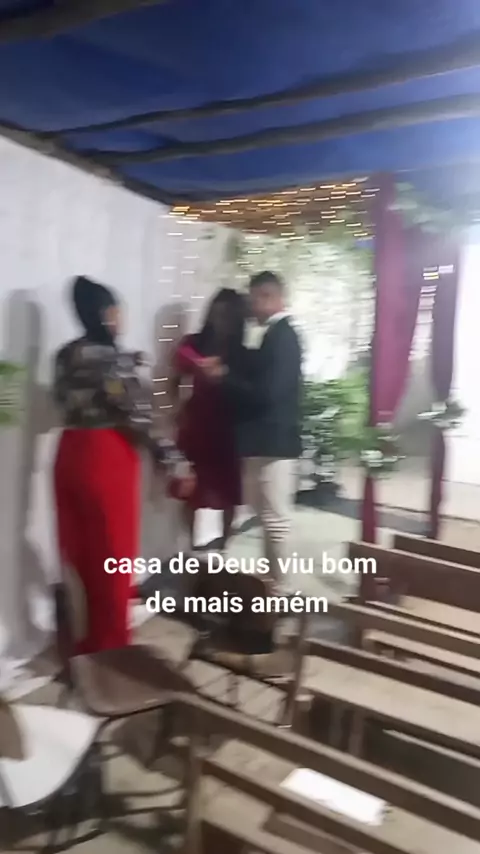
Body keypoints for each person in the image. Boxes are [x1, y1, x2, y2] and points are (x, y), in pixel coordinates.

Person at [53, 276, 193, 655]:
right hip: (106, 457)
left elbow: (62, 399)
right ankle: (111, 649)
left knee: (77, 553)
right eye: (119, 310)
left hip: (68, 453)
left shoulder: (64, 356)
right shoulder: (115, 361)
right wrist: (177, 465)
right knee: (113, 556)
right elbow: (142, 420)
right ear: (108, 314)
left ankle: (81, 641)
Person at [201, 271, 302, 590]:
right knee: (268, 517)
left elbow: (267, 393)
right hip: (263, 441)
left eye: (255, 299)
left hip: (274, 442)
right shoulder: (270, 334)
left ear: (271, 297)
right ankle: (272, 584)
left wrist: (224, 377)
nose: (250, 307)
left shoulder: (284, 336)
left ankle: (280, 590)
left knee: (275, 521)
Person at [171, 288, 246, 552]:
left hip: (229, 425)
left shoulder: (241, 350)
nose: (220, 318)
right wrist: (177, 405)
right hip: (198, 423)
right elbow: (179, 361)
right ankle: (191, 547)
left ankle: (224, 544)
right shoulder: (196, 341)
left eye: (227, 313)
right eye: (217, 311)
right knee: (191, 488)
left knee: (229, 492)